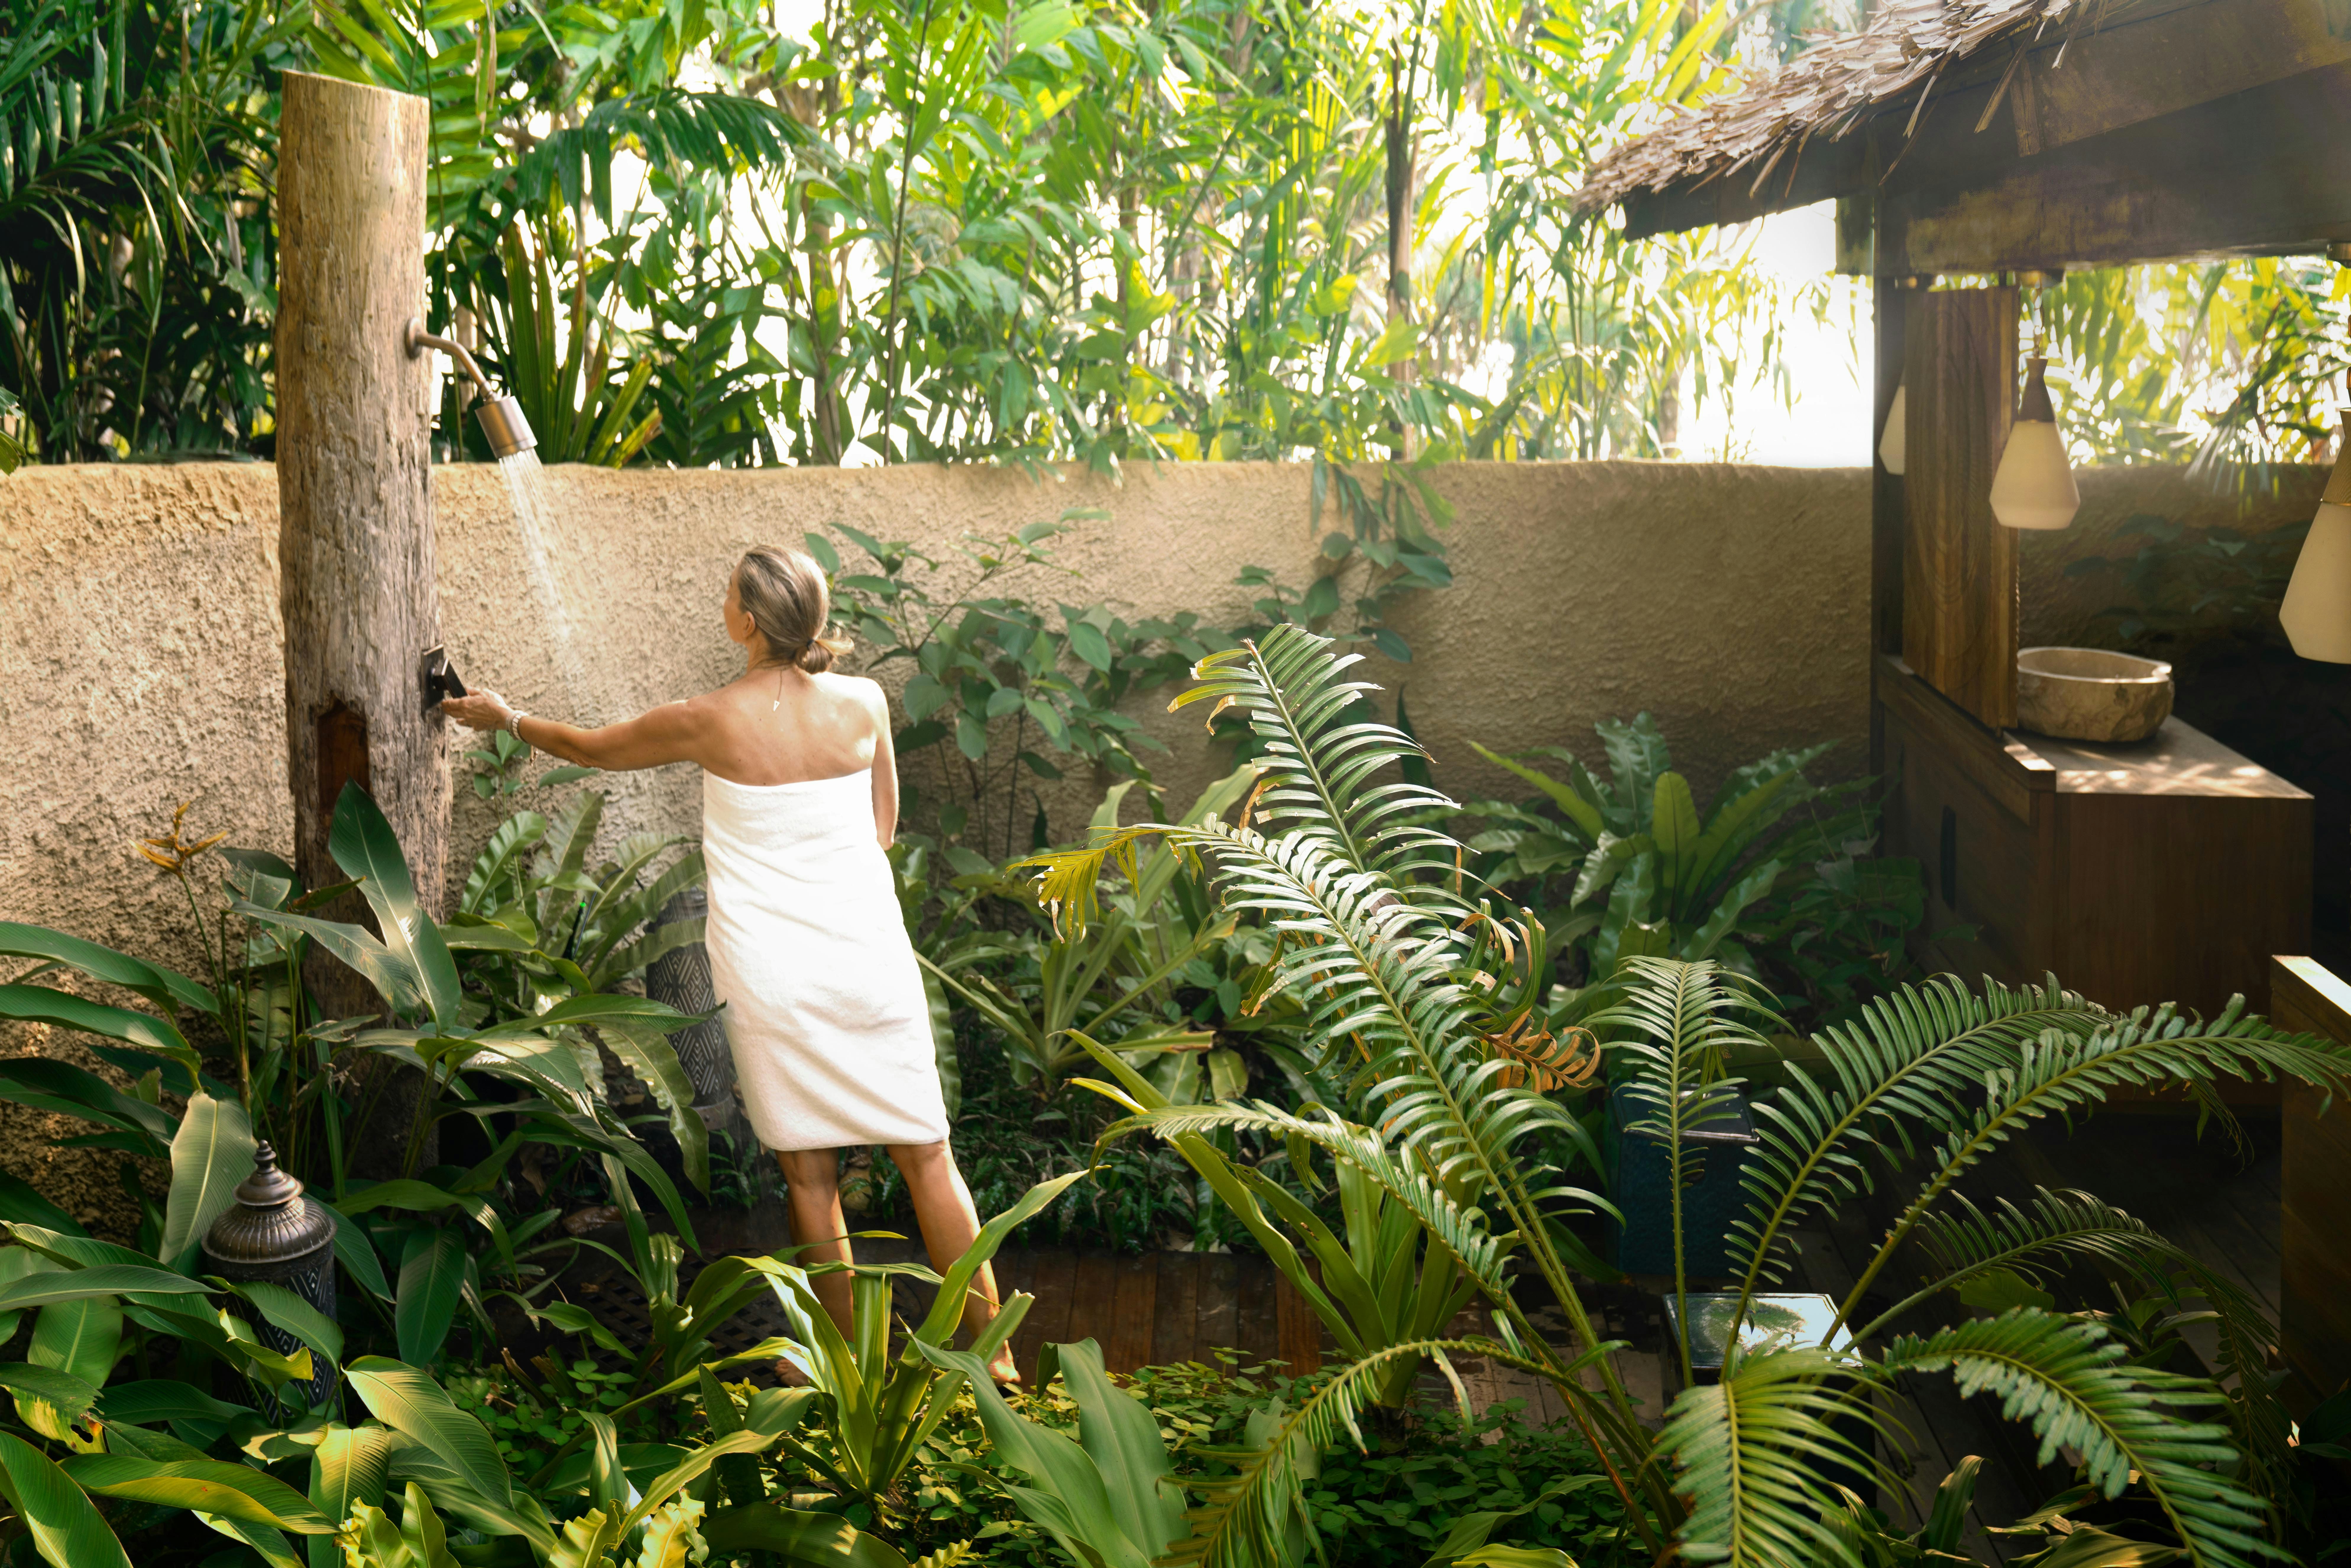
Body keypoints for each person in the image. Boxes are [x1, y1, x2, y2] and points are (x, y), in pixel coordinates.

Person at [440, 546, 1016, 1382]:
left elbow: (594, 749)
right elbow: (883, 829)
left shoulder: (708, 717)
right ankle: (996, 1360)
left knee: (809, 1174)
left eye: (728, 598)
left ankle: (847, 1365)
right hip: (870, 961)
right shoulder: (864, 701)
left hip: (775, 972)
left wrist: (506, 719)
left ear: (748, 620)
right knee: (928, 1153)